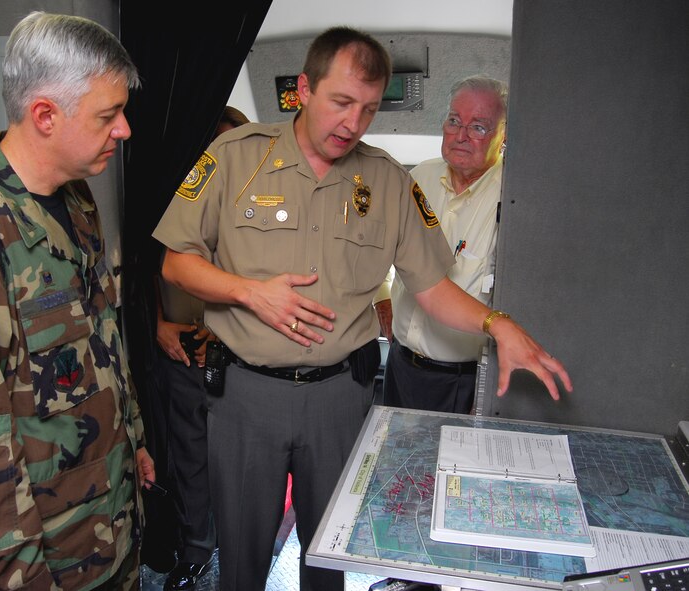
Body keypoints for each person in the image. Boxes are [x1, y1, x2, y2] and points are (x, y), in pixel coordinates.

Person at [152, 26, 571, 591]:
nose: (353, 123)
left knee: (329, 555)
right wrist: (249, 291)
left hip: (339, 401)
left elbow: (430, 288)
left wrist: (500, 325)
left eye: (369, 109)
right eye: (341, 102)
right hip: (247, 397)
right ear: (304, 89)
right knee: (243, 554)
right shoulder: (234, 158)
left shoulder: (390, 181)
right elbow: (175, 263)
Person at [0, 12, 155, 591]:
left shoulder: (77, 201)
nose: (124, 130)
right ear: (45, 115)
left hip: (109, 530)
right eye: (108, 115)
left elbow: (102, 344)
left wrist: (133, 437)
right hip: (46, 567)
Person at [155, 105, 250, 591]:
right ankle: (196, 548)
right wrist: (158, 326)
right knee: (188, 455)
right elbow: (142, 266)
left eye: (227, 146)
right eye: (209, 147)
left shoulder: (258, 207)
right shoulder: (173, 200)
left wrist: (227, 327)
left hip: (237, 352)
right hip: (180, 346)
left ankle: (243, 551)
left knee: (240, 461)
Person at [375, 74, 508, 414]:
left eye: (478, 127)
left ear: (503, 134)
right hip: (400, 366)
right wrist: (383, 296)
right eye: (454, 121)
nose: (461, 135)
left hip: (462, 380)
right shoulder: (418, 176)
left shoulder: (513, 197)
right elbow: (380, 245)